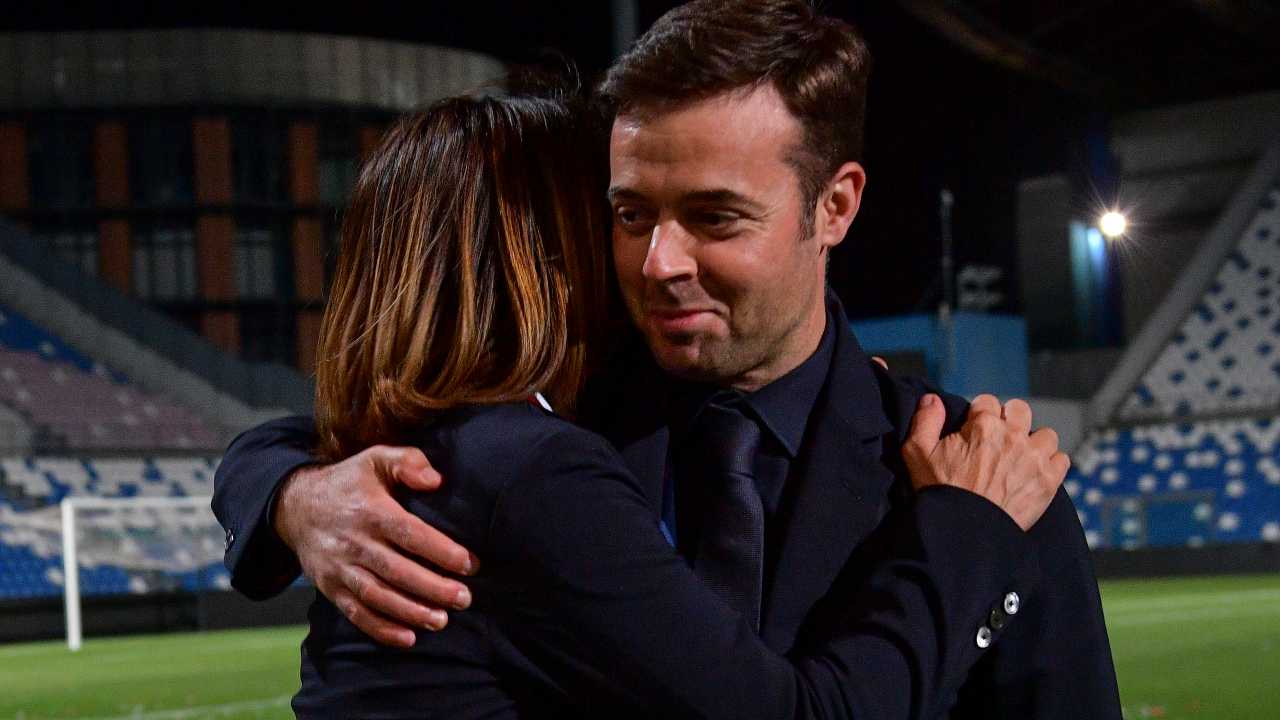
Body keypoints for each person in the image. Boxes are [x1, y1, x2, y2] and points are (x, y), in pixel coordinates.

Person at [214, 1, 1121, 717]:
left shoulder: (985, 476)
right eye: (630, 214)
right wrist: (296, 495)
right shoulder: (543, 435)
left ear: (835, 207)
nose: (659, 263)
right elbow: (333, 438)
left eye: (715, 216)